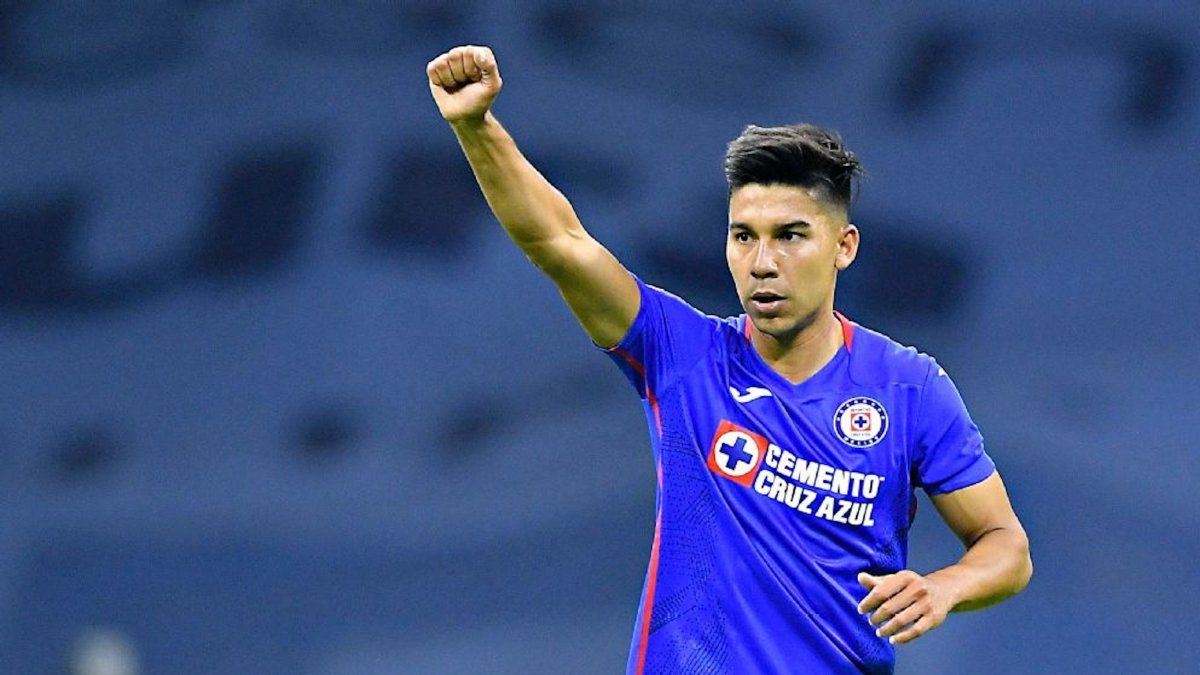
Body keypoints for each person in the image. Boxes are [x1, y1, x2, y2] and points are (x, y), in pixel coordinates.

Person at [426, 45, 1032, 675]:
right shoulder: (682, 355)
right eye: (744, 236)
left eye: (790, 236)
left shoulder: (909, 388)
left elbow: (1006, 546)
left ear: (844, 246)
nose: (762, 263)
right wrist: (476, 126)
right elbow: (559, 241)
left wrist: (943, 588)